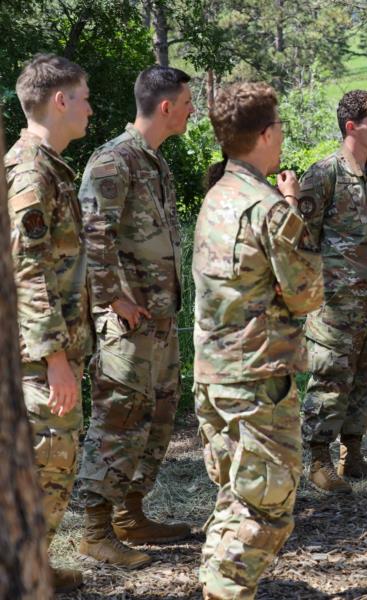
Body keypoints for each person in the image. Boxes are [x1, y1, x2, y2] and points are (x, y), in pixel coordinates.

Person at [193, 82, 323, 599]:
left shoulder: (216, 197)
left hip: (214, 377)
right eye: (280, 127)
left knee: (234, 496)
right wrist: (293, 209)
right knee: (266, 508)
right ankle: (225, 591)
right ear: (267, 134)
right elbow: (306, 294)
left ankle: (216, 585)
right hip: (259, 380)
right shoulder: (268, 208)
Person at [77, 65, 194, 568]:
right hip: (127, 324)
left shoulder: (155, 162)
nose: (194, 111)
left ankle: (130, 514)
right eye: (188, 103)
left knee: (157, 418)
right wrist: (113, 299)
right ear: (165, 107)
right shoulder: (113, 162)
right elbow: (91, 235)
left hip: (160, 320)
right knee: (118, 420)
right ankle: (94, 531)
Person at [5, 53, 92, 593]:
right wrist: (54, 359)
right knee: (45, 467)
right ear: (60, 101)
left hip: (51, 350)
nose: (89, 109)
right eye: (83, 97)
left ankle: (32, 563)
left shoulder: (48, 165)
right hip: (37, 359)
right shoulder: (31, 172)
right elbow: (26, 271)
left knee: (53, 466)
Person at [297, 90, 367, 494]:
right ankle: (318, 462)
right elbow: (300, 240)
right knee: (329, 380)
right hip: (334, 307)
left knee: (366, 380)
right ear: (351, 127)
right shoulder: (322, 176)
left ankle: (352, 456)